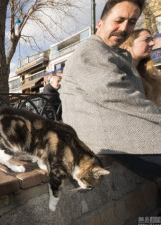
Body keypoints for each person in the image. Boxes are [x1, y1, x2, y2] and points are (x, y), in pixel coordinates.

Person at [60, 0, 161, 176]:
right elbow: (120, 97)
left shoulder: (111, 53)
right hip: (112, 138)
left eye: (131, 22)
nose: (124, 28)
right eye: (118, 20)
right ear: (100, 23)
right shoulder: (91, 51)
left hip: (121, 133)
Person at [120, 29, 161, 106]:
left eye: (151, 39)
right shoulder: (119, 72)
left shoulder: (151, 73)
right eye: (147, 40)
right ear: (127, 46)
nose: (152, 43)